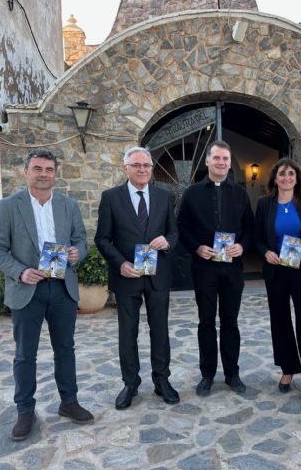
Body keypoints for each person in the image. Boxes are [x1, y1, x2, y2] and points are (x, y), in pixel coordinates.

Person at [0, 150, 94, 441]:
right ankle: (25, 410)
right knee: (25, 354)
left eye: (49, 169)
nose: (43, 174)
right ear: (26, 172)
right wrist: (20, 271)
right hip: (27, 289)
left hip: (62, 288)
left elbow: (80, 240)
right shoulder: (9, 206)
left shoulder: (68, 205)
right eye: (37, 168)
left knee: (65, 349)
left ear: (55, 174)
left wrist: (77, 253)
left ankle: (69, 402)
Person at [95, 147, 179, 410]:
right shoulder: (111, 197)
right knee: (127, 333)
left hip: (158, 276)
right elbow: (102, 239)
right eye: (136, 165)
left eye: (147, 165)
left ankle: (161, 380)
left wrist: (167, 241)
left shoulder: (164, 197)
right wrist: (120, 264)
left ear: (151, 169)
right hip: (127, 276)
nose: (143, 169)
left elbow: (174, 233)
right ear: (126, 168)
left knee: (160, 331)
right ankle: (130, 383)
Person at [177, 140, 254, 396]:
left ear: (230, 164)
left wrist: (242, 246)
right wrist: (196, 247)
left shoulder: (240, 193)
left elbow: (249, 228)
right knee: (206, 321)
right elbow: (182, 227)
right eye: (217, 158)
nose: (221, 162)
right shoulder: (192, 193)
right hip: (204, 267)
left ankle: (232, 373)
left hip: (233, 269)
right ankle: (207, 374)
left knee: (230, 321)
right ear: (208, 161)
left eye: (225, 159)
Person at [253, 158, 301, 404]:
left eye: (291, 174)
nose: (286, 178)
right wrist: (266, 252)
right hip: (276, 271)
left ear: (297, 178)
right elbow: (257, 238)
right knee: (280, 321)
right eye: (282, 174)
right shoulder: (264, 204)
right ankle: (288, 368)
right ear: (275, 178)